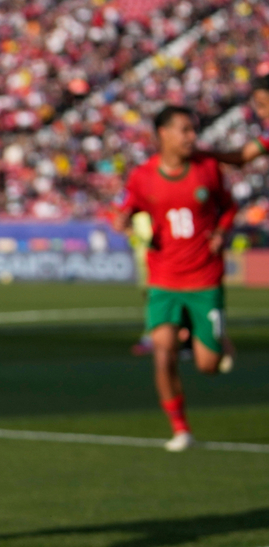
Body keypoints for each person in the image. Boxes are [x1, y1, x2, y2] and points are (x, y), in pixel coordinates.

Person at [113, 106, 237, 450]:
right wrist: (123, 220)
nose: (191, 137)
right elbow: (128, 208)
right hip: (164, 278)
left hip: (204, 278)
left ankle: (216, 338)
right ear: (163, 134)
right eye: (184, 130)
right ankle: (181, 429)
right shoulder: (143, 176)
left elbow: (229, 206)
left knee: (209, 366)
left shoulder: (207, 169)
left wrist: (221, 232)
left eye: (193, 130)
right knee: (163, 352)